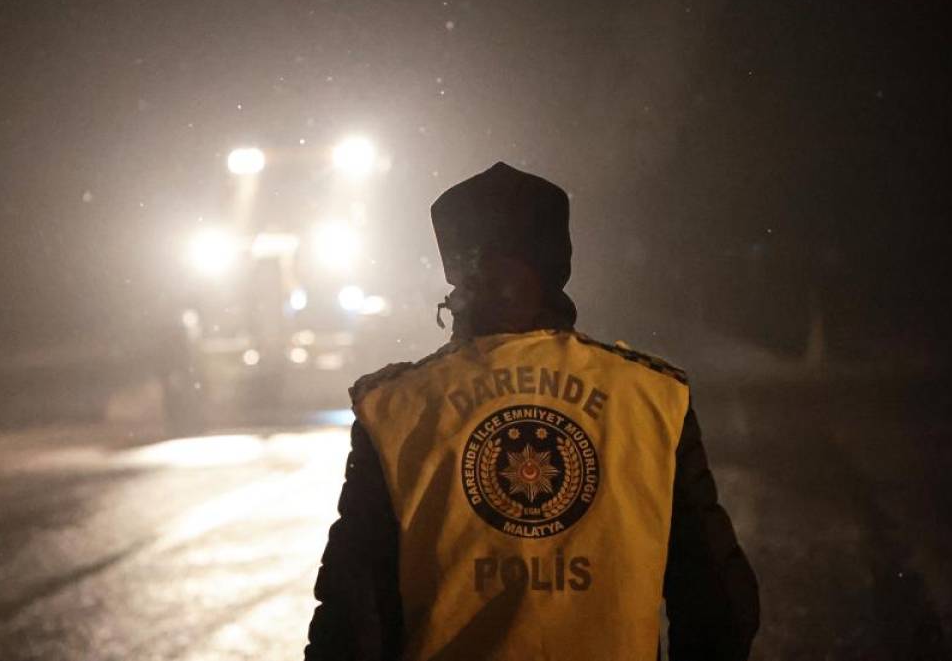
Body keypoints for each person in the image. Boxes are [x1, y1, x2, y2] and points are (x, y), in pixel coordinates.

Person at [305, 162, 759, 660]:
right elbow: (718, 603)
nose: (456, 300)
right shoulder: (652, 397)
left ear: (479, 280)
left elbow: (352, 624)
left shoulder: (397, 407)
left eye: (461, 283)